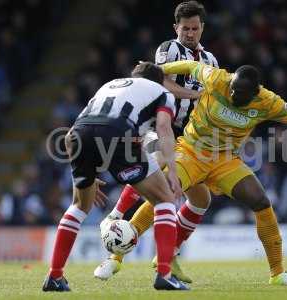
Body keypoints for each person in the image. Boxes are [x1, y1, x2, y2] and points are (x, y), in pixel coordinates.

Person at [103, 60, 287, 286]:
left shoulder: (268, 102)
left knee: (261, 201)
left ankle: (278, 273)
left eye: (240, 93)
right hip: (191, 151)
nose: (234, 93)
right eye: (234, 88)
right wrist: (160, 70)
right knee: (165, 194)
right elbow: (190, 66)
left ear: (255, 93)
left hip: (225, 160)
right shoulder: (218, 79)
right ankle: (116, 257)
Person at [94, 0, 218, 282]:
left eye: (194, 28)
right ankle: (115, 228)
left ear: (202, 28)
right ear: (176, 27)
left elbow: (213, 98)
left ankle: (170, 254)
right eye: (184, 28)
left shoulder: (210, 61)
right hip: (157, 124)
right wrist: (197, 95)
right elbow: (160, 83)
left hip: (191, 137)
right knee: (156, 170)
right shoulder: (168, 49)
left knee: (201, 199)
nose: (189, 33)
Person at [42, 62, 189, 291]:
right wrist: (172, 167)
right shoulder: (163, 92)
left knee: (79, 206)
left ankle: (55, 276)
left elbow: (84, 127)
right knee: (165, 199)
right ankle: (164, 274)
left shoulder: (110, 85)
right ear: (159, 80)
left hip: (76, 135)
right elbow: (163, 127)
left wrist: (90, 173)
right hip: (118, 132)